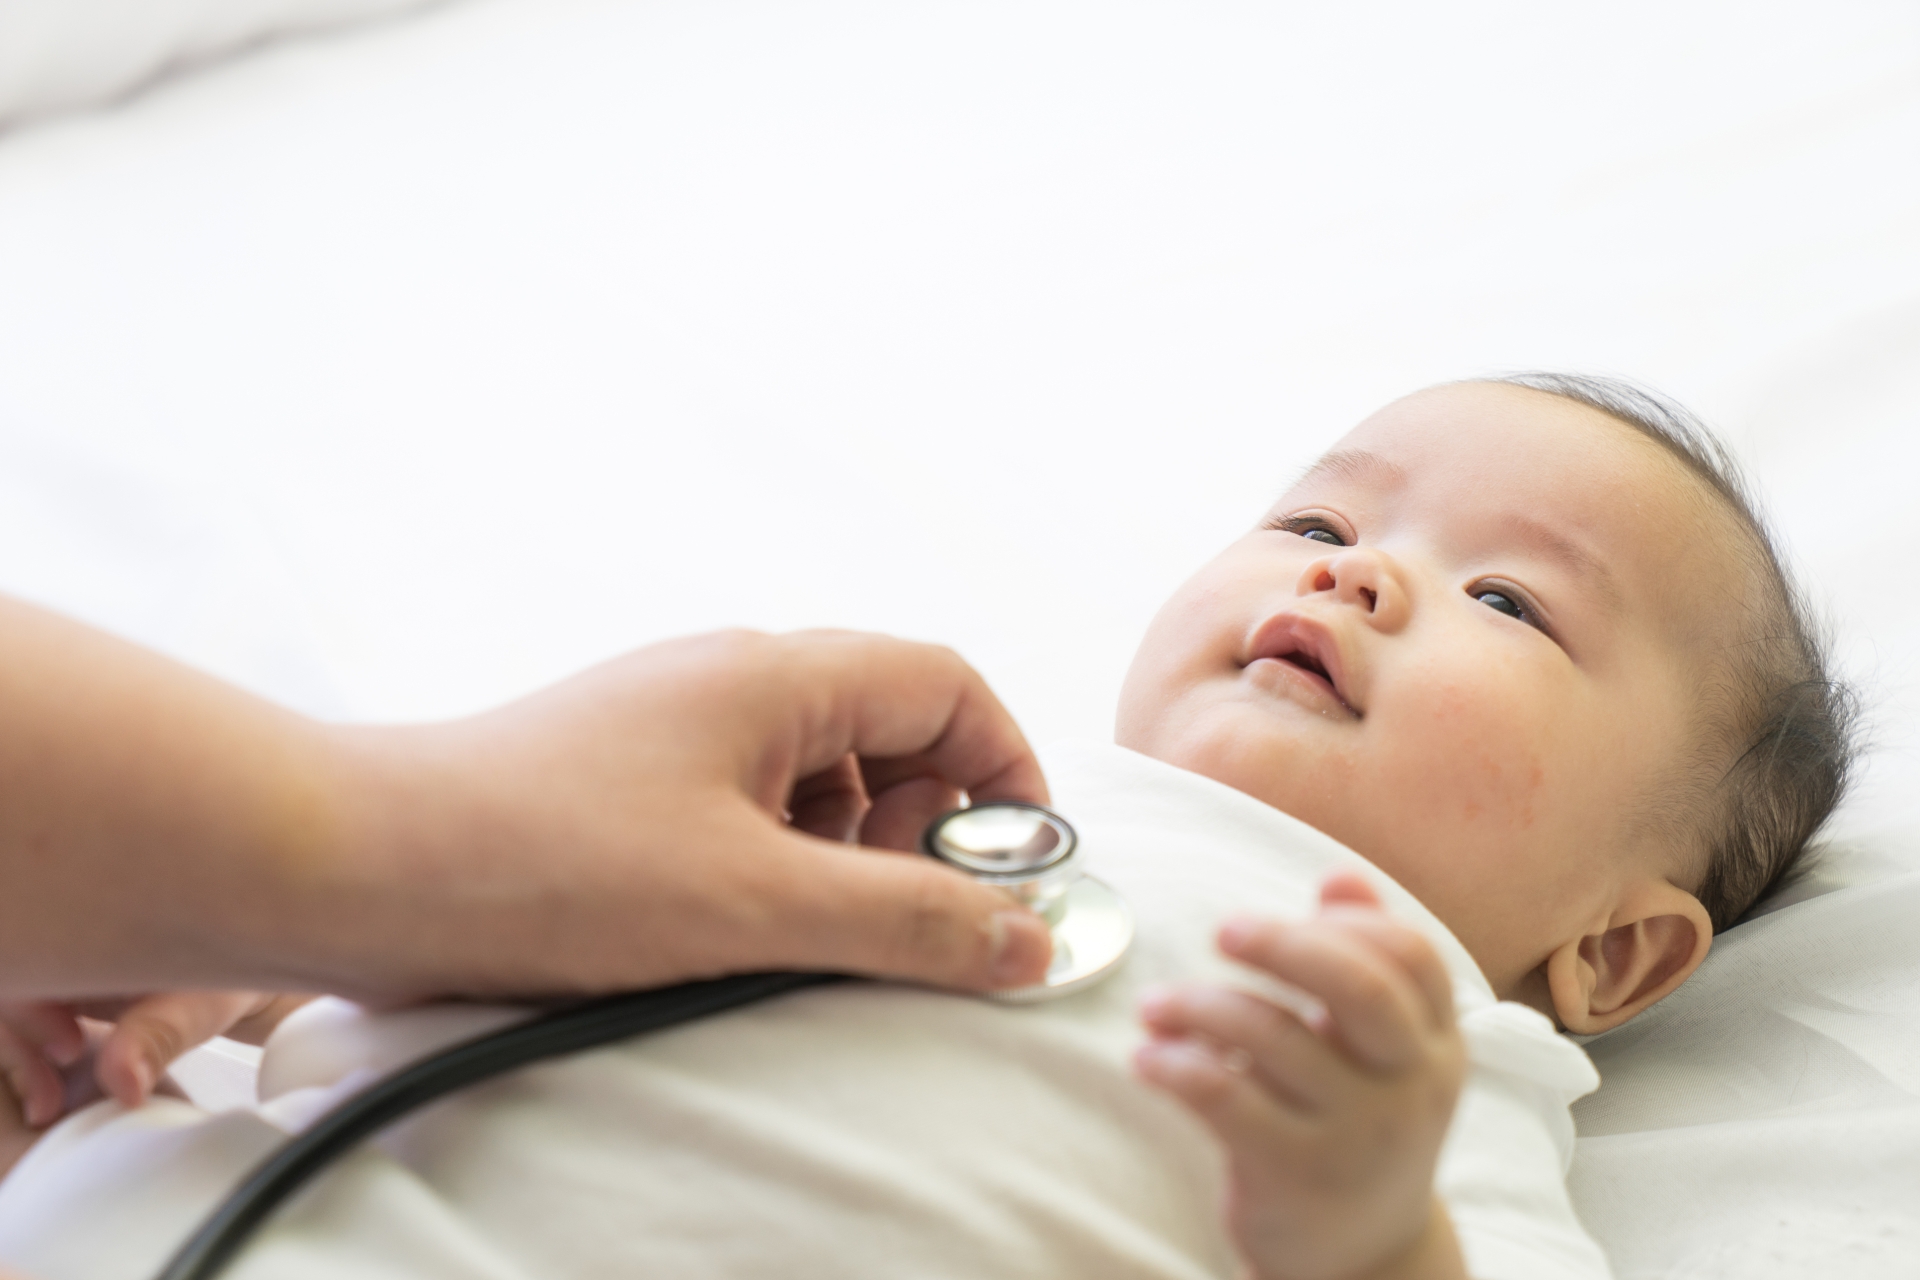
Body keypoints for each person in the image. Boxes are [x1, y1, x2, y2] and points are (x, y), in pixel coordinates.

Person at [0, 376, 1854, 1280]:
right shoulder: (888, 796)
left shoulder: (1436, 1079)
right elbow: (486, 896)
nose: (1363, 576)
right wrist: (219, 974)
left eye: (1516, 605)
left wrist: (1371, 1238)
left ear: (1618, 947)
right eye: (1319, 522)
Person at [0, 614, 1056, 1122]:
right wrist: (278, 958)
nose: (1237, 609)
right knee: (63, 1121)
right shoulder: (854, 826)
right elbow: (534, 954)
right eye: (1235, 535)